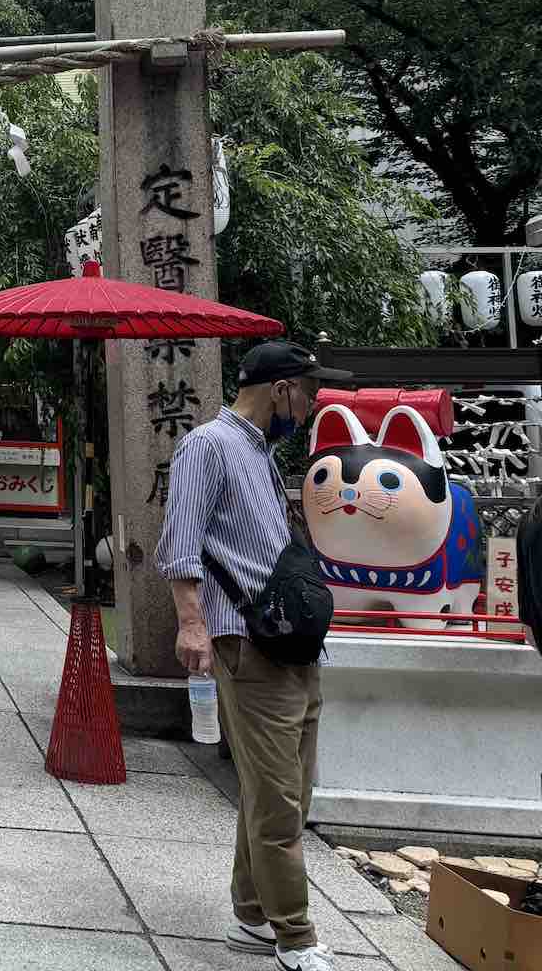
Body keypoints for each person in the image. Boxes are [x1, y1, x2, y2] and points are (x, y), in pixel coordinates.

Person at [154, 341, 352, 971]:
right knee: (277, 797)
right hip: (247, 639)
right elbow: (180, 543)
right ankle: (296, 936)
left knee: (284, 786)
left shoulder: (259, 452)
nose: (313, 404)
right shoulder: (207, 446)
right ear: (282, 389)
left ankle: (250, 913)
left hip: (289, 637)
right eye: (310, 391)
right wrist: (193, 626)